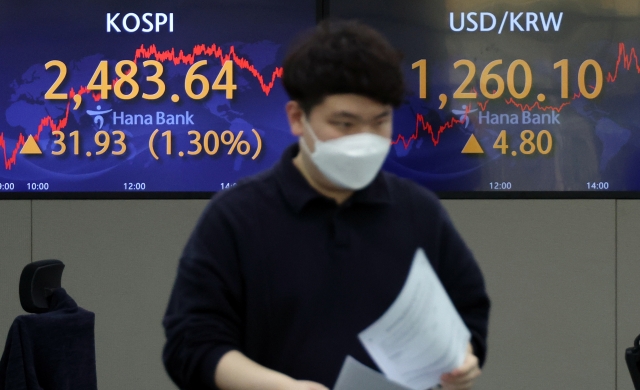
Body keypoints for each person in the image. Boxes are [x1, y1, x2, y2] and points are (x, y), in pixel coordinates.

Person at [163, 20, 490, 390]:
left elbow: (468, 314)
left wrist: (463, 359)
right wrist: (282, 388)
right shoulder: (236, 218)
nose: (364, 140)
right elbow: (191, 344)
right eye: (344, 124)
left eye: (379, 122)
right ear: (297, 118)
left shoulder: (417, 212)